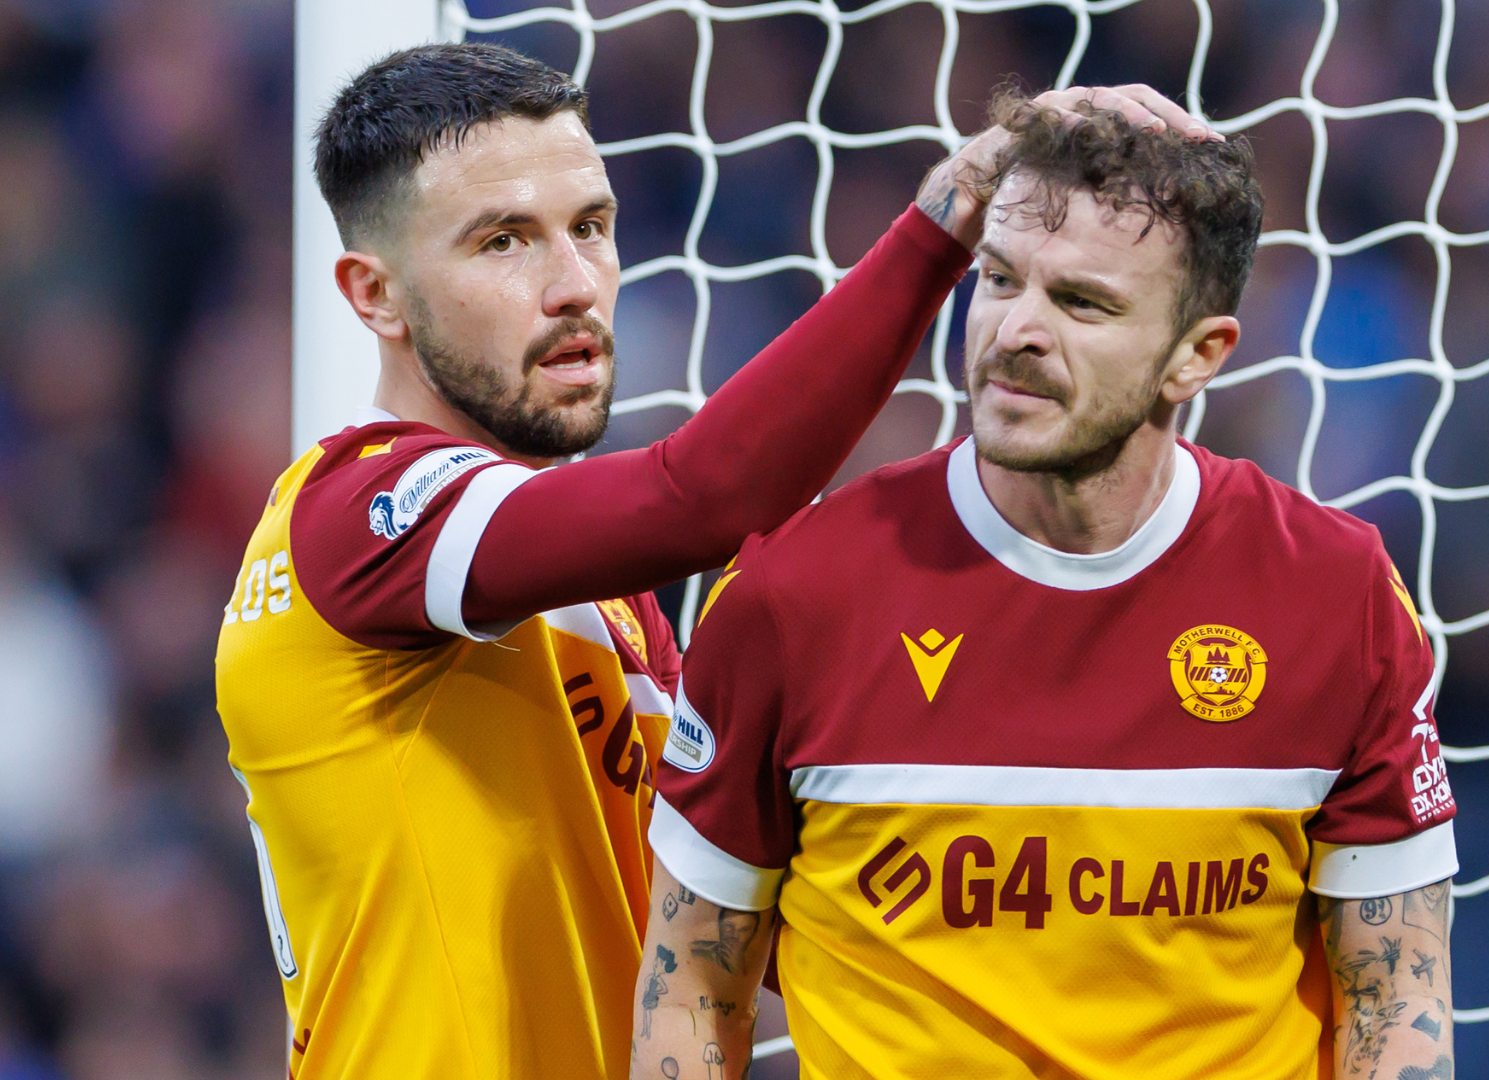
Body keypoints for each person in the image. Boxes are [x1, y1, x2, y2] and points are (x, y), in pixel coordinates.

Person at [214, 41, 1211, 1079]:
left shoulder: (616, 615)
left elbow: (760, 928)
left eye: (590, 229)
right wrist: (948, 217)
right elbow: (706, 493)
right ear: (374, 295)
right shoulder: (350, 515)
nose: (572, 286)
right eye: (503, 242)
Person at [638, 90, 1460, 1080]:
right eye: (998, 280)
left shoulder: (1337, 595)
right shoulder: (793, 596)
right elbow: (689, 985)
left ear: (1196, 357)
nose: (1016, 330)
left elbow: (1396, 994)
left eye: (1081, 303)